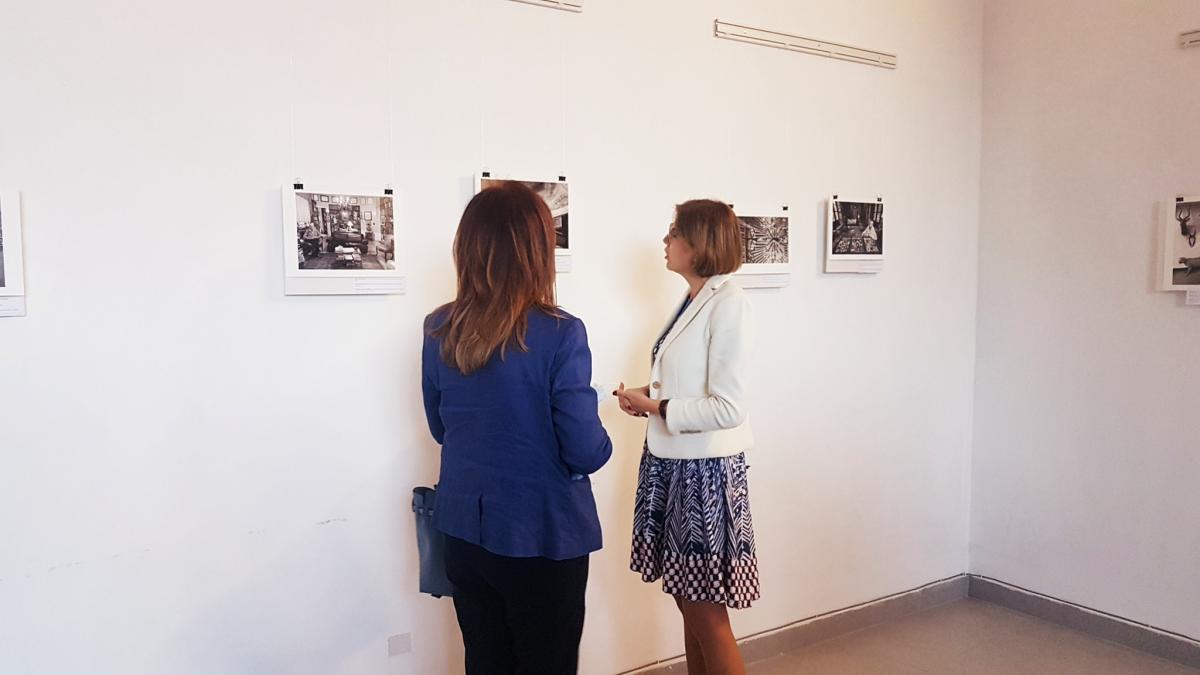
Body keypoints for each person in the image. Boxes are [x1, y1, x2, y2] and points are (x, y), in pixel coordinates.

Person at [421, 181, 612, 675]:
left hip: (464, 528)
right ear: (536, 251)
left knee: (486, 661)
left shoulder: (439, 328)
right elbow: (585, 450)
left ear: (468, 248)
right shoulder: (561, 332)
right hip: (542, 534)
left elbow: (441, 427)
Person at [615, 199, 759, 675]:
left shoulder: (729, 302)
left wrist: (658, 408)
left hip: (704, 475)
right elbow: (688, 383)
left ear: (698, 244)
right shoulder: (696, 298)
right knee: (687, 600)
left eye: (674, 232)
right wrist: (647, 395)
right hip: (675, 465)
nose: (665, 240)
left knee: (705, 613)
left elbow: (729, 407)